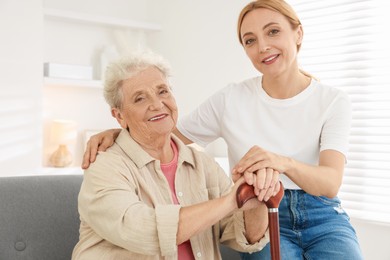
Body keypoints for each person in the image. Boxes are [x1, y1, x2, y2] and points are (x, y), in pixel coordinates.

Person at [82, 0, 364, 259]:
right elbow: (165, 131)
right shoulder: (231, 99)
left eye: (273, 32)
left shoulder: (332, 100)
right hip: (262, 206)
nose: (263, 46)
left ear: (298, 34)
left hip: (320, 213)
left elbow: (330, 182)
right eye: (250, 40)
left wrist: (280, 163)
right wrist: (120, 133)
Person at [71, 51, 279, 260]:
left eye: (162, 92)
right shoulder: (105, 166)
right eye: (140, 98)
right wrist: (232, 200)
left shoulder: (201, 163)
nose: (157, 104)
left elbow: (241, 236)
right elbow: (145, 231)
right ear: (119, 115)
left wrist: (255, 196)